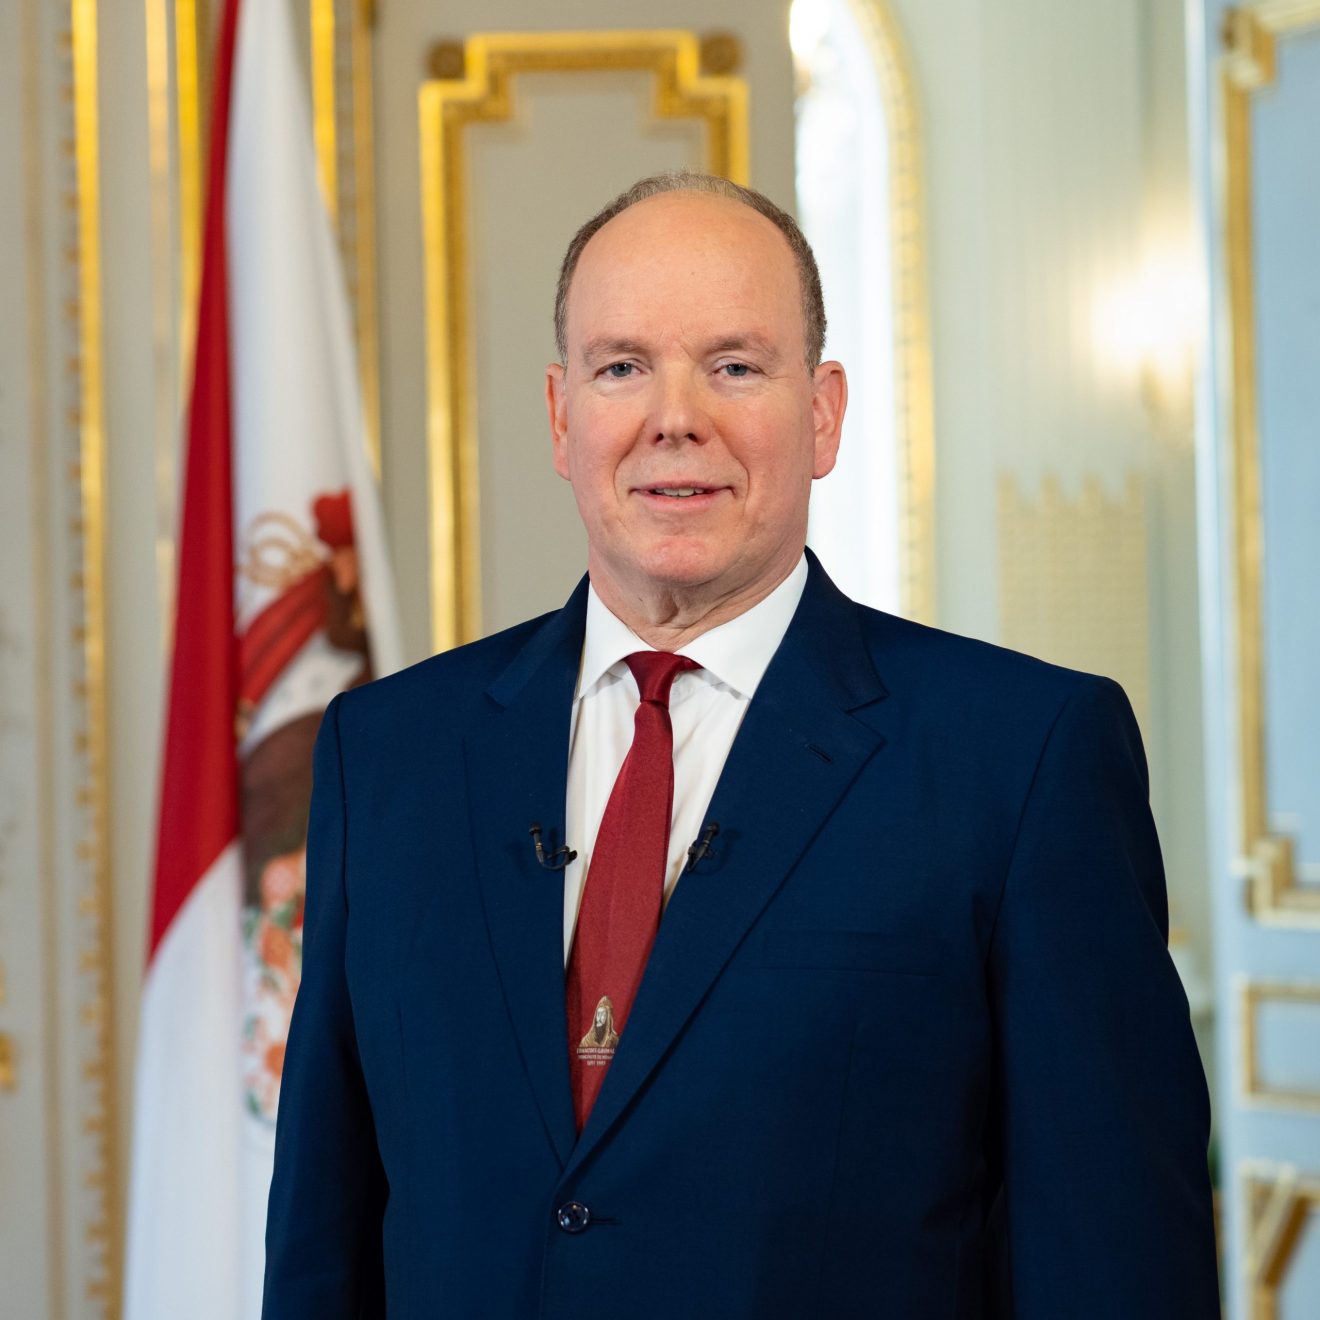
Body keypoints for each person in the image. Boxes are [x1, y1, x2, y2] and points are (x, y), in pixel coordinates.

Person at [263, 171, 1220, 1318]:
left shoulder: (1022, 760)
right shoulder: (385, 757)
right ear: (563, 417)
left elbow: (1117, 1266)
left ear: (823, 414)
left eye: (733, 366)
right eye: (623, 367)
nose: (675, 417)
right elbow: (323, 1246)